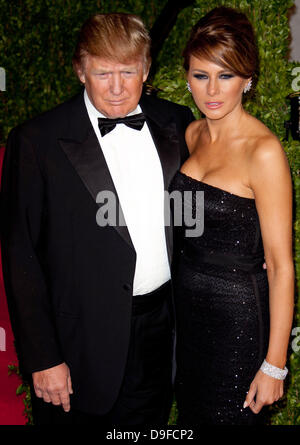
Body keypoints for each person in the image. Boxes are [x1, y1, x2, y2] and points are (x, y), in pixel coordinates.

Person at [0, 13, 194, 426]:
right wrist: (44, 357)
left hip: (159, 331)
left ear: (146, 68)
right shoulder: (36, 141)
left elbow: (192, 214)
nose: (118, 87)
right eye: (103, 72)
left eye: (128, 71)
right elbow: (22, 258)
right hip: (78, 347)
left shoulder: (177, 122)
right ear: (80, 70)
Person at [169, 6, 294, 425]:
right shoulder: (192, 134)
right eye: (201, 75)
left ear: (247, 79)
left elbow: (280, 265)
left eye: (226, 75)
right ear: (186, 76)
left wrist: (274, 364)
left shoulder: (264, 152)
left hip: (237, 321)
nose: (212, 90)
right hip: (187, 316)